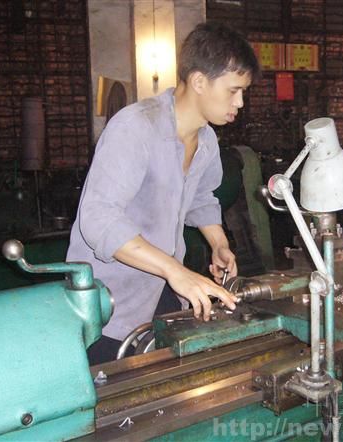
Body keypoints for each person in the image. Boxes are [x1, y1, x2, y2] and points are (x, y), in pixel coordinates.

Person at [67, 22, 260, 364]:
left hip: (159, 290)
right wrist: (176, 271)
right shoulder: (135, 128)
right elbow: (97, 218)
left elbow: (201, 198)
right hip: (107, 300)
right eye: (233, 91)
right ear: (199, 81)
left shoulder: (206, 140)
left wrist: (218, 244)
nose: (240, 102)